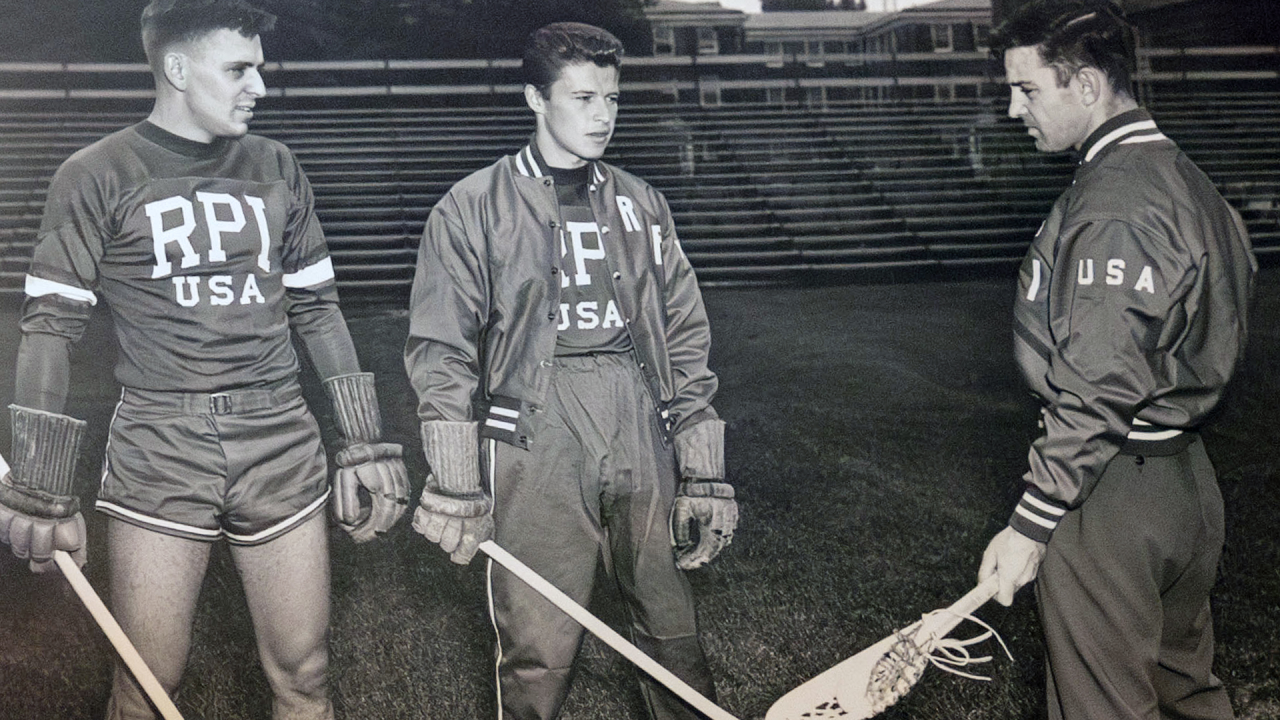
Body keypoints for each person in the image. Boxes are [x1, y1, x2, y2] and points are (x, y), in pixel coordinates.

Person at [0, 1, 409, 718]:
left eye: (259, 67)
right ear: (178, 68)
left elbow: (318, 309)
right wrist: (37, 485)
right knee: (148, 685)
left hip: (281, 433)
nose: (260, 86)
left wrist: (364, 443)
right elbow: (49, 329)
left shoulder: (277, 165)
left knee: (305, 678)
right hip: (162, 441)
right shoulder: (94, 173)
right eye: (239, 69)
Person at [403, 22, 738, 720]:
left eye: (612, 99)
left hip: (638, 412)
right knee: (538, 644)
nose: (603, 116)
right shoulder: (471, 206)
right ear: (534, 98)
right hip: (535, 422)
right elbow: (442, 348)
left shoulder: (642, 203)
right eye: (583, 98)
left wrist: (702, 465)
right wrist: (457, 480)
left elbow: (683, 333)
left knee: (672, 628)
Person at [976, 2, 1255, 719]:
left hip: (1109, 492)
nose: (1013, 110)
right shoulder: (1184, 177)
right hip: (1185, 478)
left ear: (1089, 86)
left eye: (1028, 90)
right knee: (1184, 691)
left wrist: (1033, 520)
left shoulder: (1118, 199)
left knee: (1102, 706)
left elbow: (1101, 382)